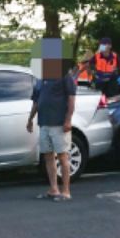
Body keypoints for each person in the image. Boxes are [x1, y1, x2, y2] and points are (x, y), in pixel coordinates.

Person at [26, 67, 76, 202]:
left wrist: (68, 120)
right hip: (44, 123)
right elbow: (36, 101)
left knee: (62, 156)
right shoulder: (41, 78)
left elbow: (71, 98)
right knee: (48, 156)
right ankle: (54, 189)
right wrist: (30, 119)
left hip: (59, 124)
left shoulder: (65, 75)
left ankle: (66, 191)